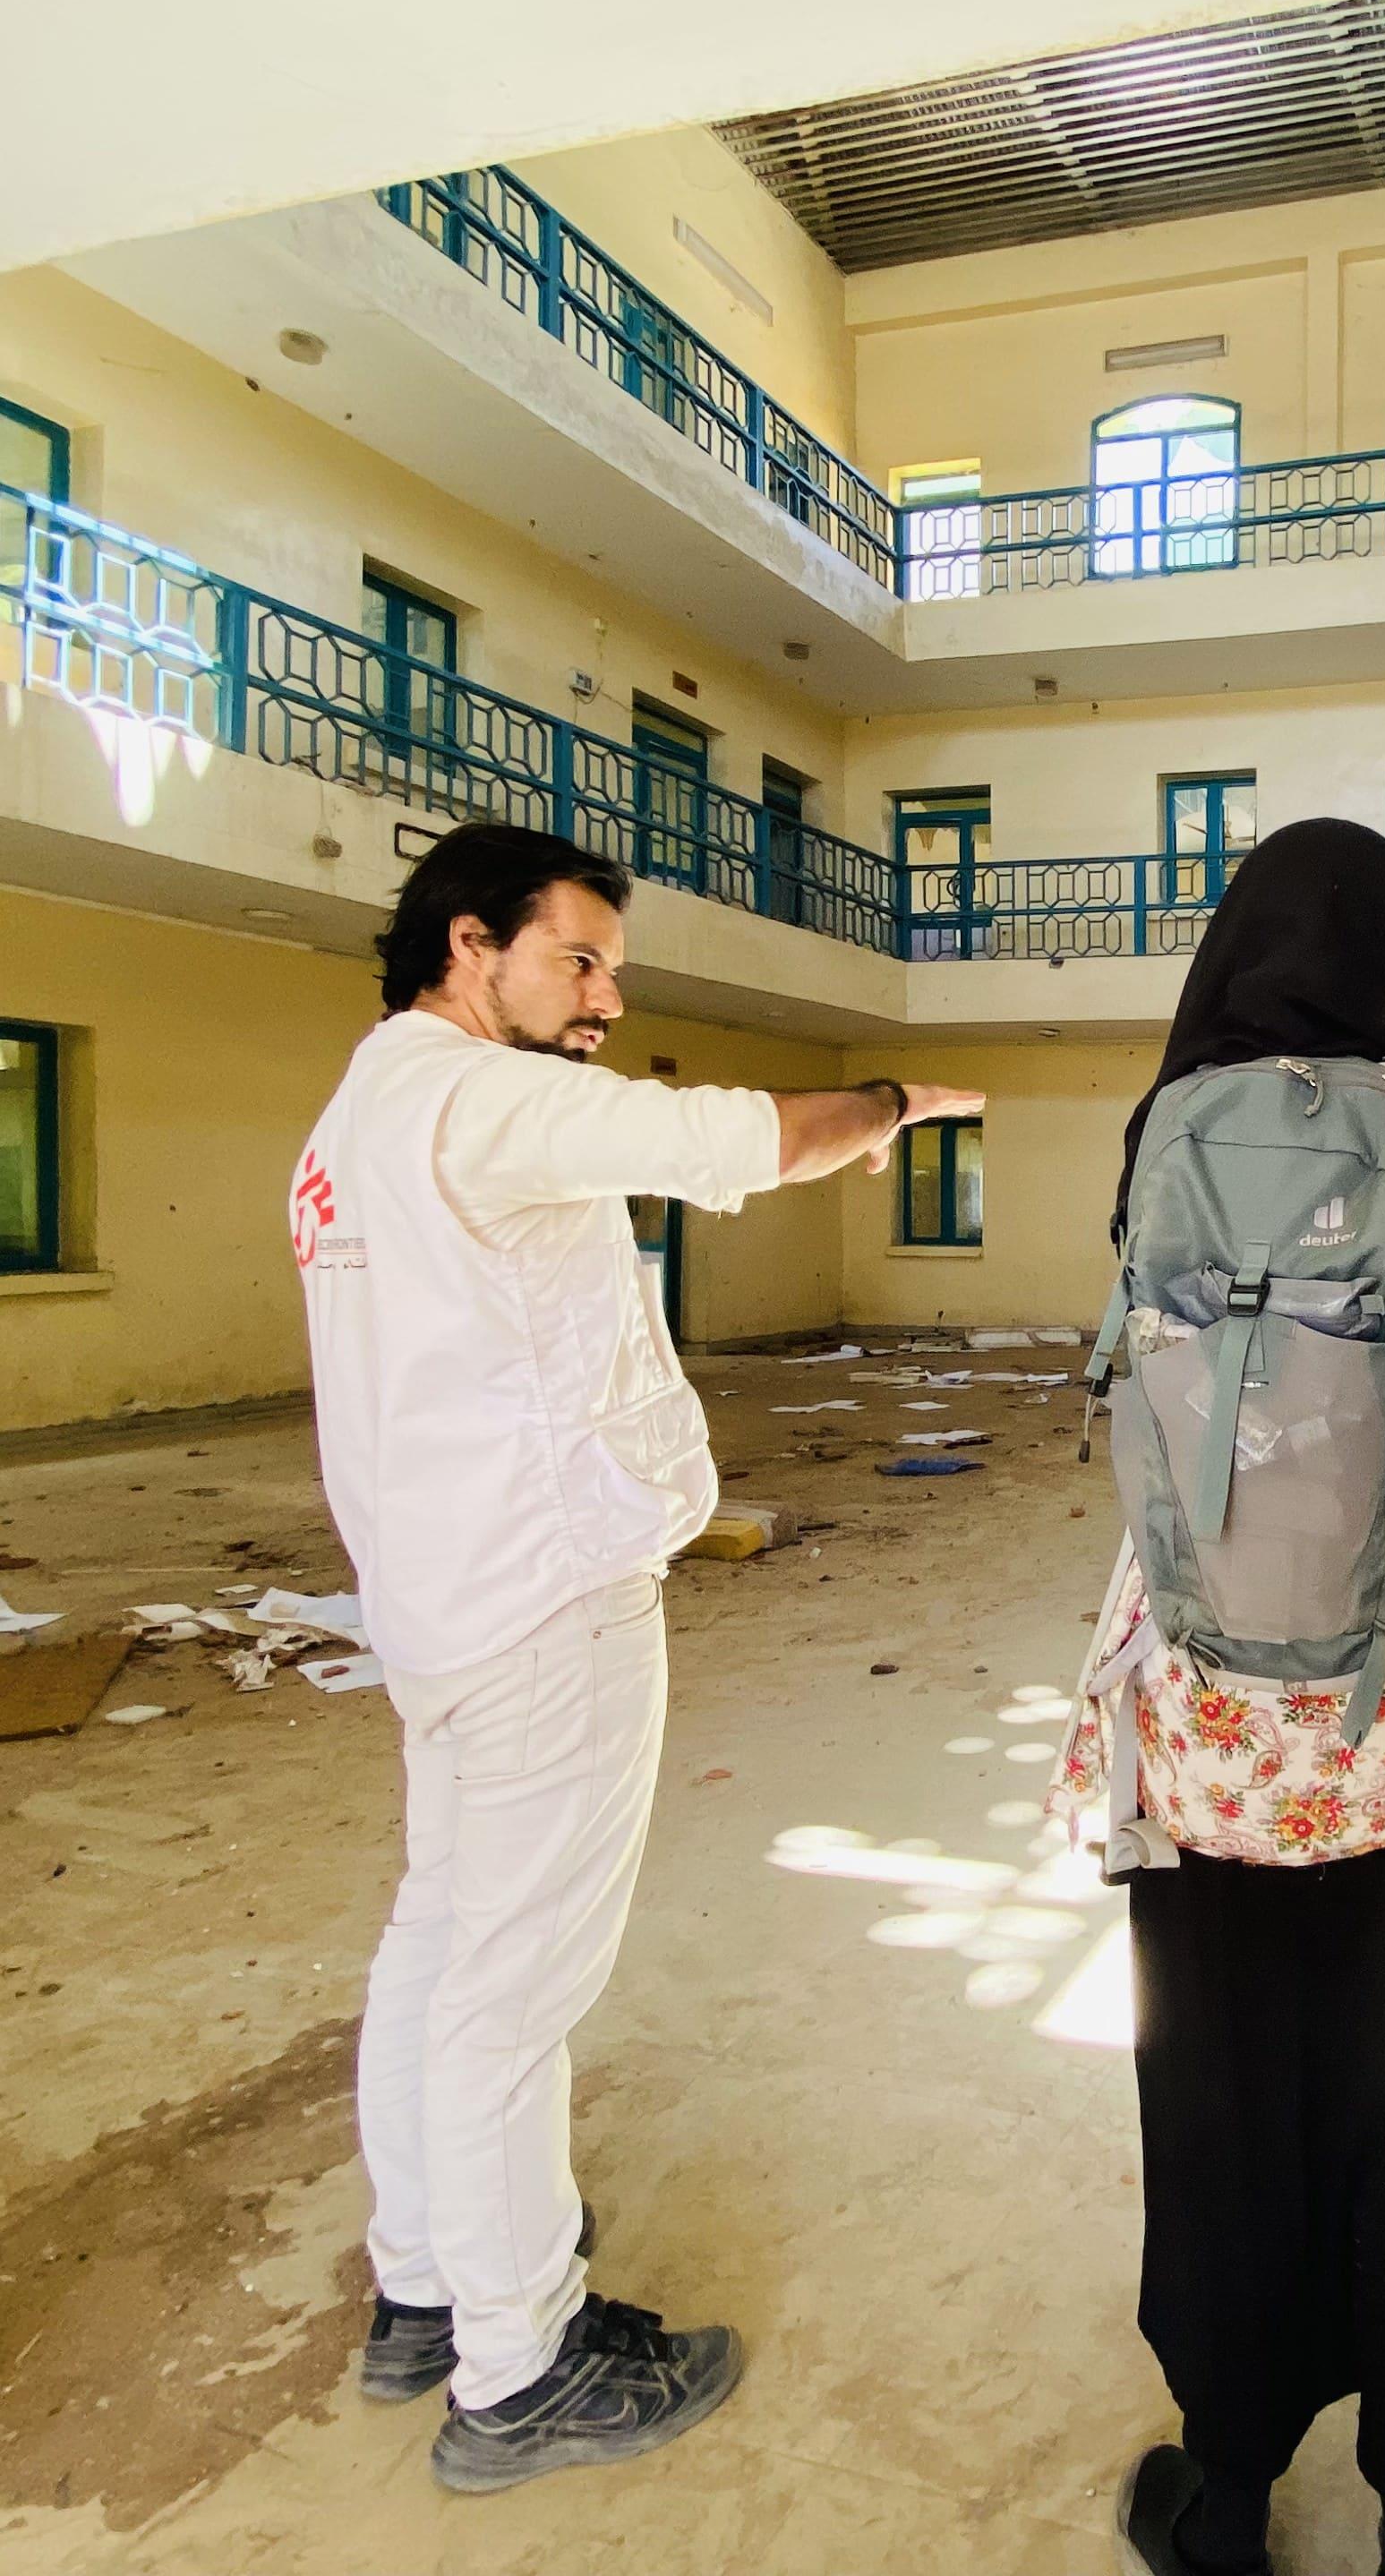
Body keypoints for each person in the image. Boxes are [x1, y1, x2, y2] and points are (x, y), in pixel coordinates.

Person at [294, 820, 978, 2495]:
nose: (601, 997)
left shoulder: (362, 1107)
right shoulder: (479, 1091)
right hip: (540, 1598)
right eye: (575, 961)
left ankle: (426, 2284)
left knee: (443, 1939)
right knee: (511, 1989)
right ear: (472, 948)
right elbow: (732, 1136)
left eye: (611, 968)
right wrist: (897, 1105)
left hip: (443, 1598)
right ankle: (519, 2368)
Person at [1048, 818, 1385, 2576]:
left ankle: (1222, 2496)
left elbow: (1145, 1417)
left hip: (1203, 1735)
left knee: (1215, 2109)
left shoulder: (1169, 1141)